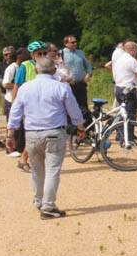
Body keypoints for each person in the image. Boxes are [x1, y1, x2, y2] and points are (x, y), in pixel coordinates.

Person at [6, 51, 85, 219]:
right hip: (55, 132)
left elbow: (15, 112)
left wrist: (10, 134)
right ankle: (48, 206)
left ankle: (39, 200)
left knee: (37, 170)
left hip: (32, 134)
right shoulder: (61, 87)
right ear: (54, 70)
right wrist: (80, 127)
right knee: (52, 170)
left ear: (36, 70)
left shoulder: (25, 88)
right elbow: (74, 110)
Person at [109, 40, 137, 140]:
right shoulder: (131, 60)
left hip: (119, 87)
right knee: (130, 114)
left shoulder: (120, 58)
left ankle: (121, 135)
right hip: (128, 89)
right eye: (136, 50)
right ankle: (128, 138)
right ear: (132, 50)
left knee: (123, 112)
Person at [61, 35, 92, 123]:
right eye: (72, 42)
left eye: (75, 42)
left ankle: (87, 128)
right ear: (65, 44)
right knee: (70, 107)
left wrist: (88, 74)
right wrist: (67, 78)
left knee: (84, 106)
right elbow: (59, 69)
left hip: (81, 83)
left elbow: (88, 65)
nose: (75, 44)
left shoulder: (80, 52)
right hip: (68, 85)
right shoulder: (61, 54)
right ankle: (72, 128)